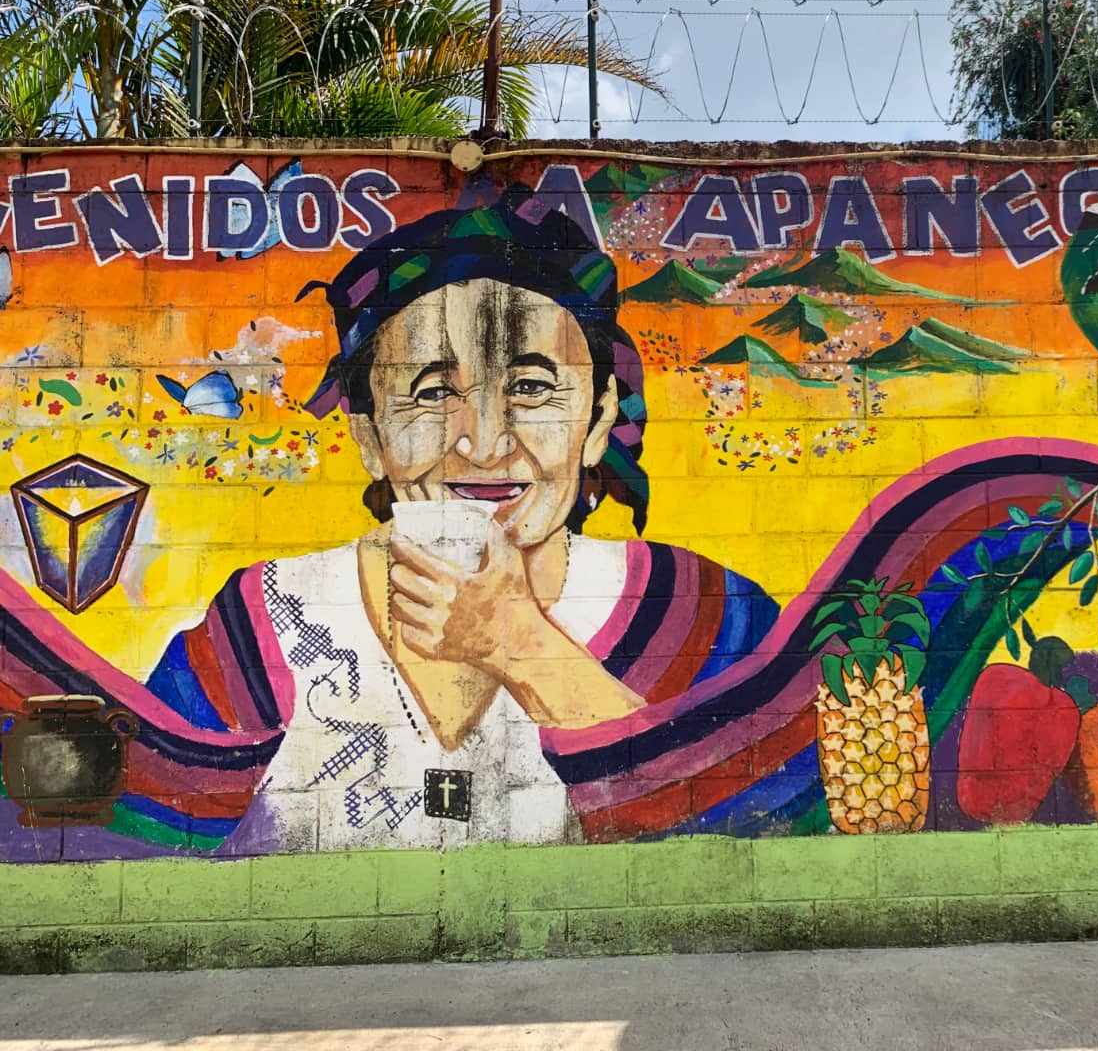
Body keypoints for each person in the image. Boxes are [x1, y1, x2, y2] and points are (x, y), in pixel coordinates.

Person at [0, 191, 825, 855]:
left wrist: (520, 646)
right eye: (431, 394)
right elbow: (146, 837)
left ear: (600, 416)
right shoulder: (261, 629)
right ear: (367, 436)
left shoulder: (704, 616)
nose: (483, 441)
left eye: (533, 388)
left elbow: (770, 831)